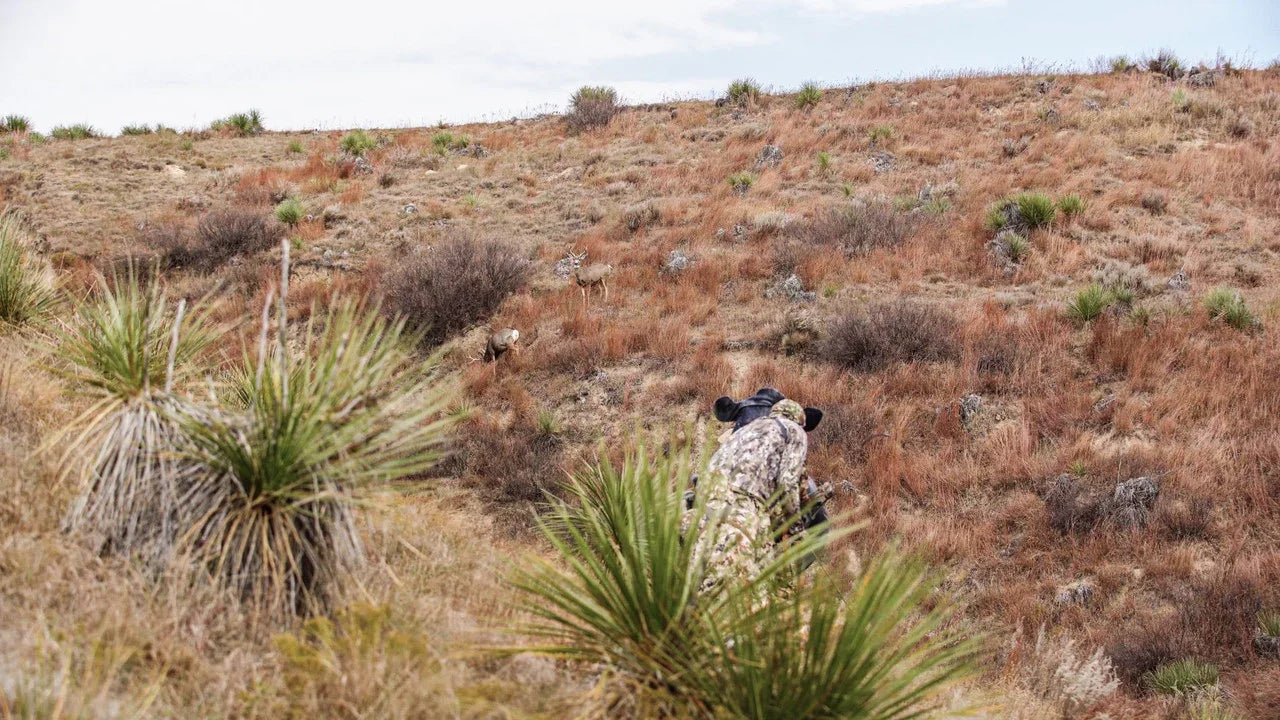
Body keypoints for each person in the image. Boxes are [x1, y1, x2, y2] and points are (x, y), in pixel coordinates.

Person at [692, 398, 816, 598]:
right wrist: (796, 528)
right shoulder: (794, 430)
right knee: (744, 586)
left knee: (698, 571)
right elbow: (787, 482)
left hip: (707, 499)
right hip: (742, 505)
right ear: (799, 420)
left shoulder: (747, 429)